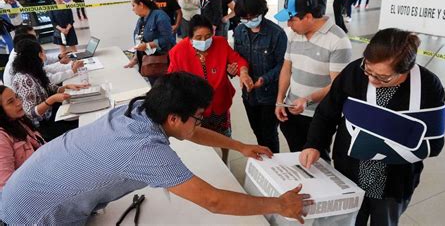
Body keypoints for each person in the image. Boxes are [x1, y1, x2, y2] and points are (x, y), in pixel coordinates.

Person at [1, 72, 313, 224]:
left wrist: (239, 145)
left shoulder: (137, 109)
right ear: (174, 117)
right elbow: (213, 201)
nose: (199, 123)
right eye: (198, 117)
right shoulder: (144, 149)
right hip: (28, 217)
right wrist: (279, 205)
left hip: (26, 192)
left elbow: (190, 133)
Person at [299, 28, 445, 226]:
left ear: (405, 70)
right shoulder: (355, 71)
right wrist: (314, 144)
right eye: (369, 70)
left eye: (383, 77)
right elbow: (327, 112)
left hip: (394, 180)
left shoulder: (428, 86)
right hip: (349, 171)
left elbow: (434, 144)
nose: (372, 80)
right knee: (348, 221)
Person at [274, 0, 352, 152]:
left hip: (319, 115)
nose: (288, 24)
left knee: (317, 160)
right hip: (291, 111)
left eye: (292, 19)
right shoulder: (292, 34)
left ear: (308, 17)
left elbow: (337, 85)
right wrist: (280, 100)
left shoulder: (338, 41)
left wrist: (307, 99)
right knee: (296, 153)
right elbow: (287, 68)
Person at [168, 15, 253, 163]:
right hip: (195, 108)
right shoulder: (178, 52)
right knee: (199, 139)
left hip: (219, 103)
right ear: (189, 38)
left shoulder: (220, 43)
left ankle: (225, 159)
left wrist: (243, 73)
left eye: (208, 36)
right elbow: (172, 80)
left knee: (224, 136)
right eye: (198, 37)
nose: (204, 41)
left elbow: (238, 60)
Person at [232, 0, 287, 153]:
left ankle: (274, 164)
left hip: (269, 95)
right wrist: (237, 71)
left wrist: (264, 79)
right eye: (244, 18)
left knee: (269, 135)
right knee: (257, 131)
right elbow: (237, 58)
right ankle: (264, 161)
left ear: (261, 12)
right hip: (249, 94)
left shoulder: (276, 33)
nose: (248, 21)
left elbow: (283, 65)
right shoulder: (240, 31)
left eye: (252, 17)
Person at [11, 39, 87, 141]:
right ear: (37, 55)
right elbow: (30, 113)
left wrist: (66, 87)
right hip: (44, 125)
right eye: (42, 52)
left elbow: (50, 87)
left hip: (51, 113)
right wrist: (52, 99)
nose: (44, 55)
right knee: (81, 124)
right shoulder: (24, 79)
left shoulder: (33, 70)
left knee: (81, 107)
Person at [124, 0, 175, 86]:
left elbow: (167, 38)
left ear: (141, 4)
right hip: (148, 63)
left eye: (133, 5)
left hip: (161, 62)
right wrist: (135, 59)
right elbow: (140, 39)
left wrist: (148, 45)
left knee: (163, 89)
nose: (132, 9)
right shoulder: (141, 20)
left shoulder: (160, 16)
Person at [0, 85, 45, 189]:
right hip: (34, 189)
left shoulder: (18, 121)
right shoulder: (2, 137)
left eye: (16, 97)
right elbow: (6, 185)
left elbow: (40, 145)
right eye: (11, 102)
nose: (19, 102)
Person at [3, 29, 83, 87]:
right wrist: (72, 70)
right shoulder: (23, 67)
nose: (36, 41)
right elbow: (49, 78)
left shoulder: (21, 54)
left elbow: (45, 69)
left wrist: (69, 66)